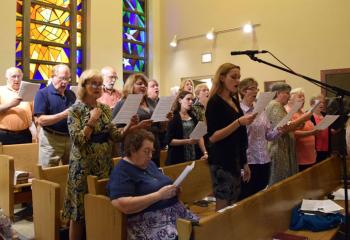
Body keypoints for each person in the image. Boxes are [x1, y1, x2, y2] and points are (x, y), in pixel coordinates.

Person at [62, 69, 136, 240]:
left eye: (99, 84)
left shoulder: (104, 108)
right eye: (92, 83)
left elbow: (115, 136)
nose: (97, 87)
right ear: (84, 86)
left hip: (103, 164)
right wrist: (92, 120)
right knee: (78, 212)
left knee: (102, 206)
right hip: (83, 166)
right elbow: (78, 140)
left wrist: (129, 126)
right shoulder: (75, 109)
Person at [107, 129, 198, 240]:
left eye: (152, 151)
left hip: (175, 215)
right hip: (149, 222)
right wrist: (159, 195)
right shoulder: (122, 171)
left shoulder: (149, 164)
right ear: (132, 150)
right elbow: (123, 205)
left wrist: (174, 191)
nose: (150, 156)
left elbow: (159, 184)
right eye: (146, 151)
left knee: (204, 228)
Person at [205, 63, 256, 211]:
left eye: (239, 77)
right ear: (221, 78)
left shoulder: (234, 101)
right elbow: (213, 137)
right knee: (223, 204)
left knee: (233, 201)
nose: (237, 81)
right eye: (233, 77)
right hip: (221, 160)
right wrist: (239, 122)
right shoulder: (214, 102)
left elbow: (240, 136)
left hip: (235, 159)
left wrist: (244, 163)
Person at [112, 73, 169, 166]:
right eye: (140, 84)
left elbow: (160, 128)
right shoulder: (124, 103)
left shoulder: (150, 102)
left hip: (153, 147)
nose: (143, 86)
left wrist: (165, 121)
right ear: (131, 85)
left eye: (145, 85)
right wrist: (138, 127)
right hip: (135, 149)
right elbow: (116, 132)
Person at [238, 78, 281, 199]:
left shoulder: (261, 111)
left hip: (264, 160)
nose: (256, 91)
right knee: (246, 197)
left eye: (256, 88)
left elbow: (268, 136)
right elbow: (238, 139)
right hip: (249, 161)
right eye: (252, 88)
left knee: (261, 196)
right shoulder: (238, 112)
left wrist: (279, 130)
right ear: (243, 91)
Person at [265, 83, 311, 184]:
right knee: (280, 181)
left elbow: (287, 125)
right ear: (278, 93)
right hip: (278, 148)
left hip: (284, 147)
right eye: (286, 93)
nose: (289, 96)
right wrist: (303, 118)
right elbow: (283, 129)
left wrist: (298, 123)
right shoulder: (275, 105)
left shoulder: (279, 106)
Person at [34, 64, 76, 167]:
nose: (65, 82)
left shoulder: (71, 94)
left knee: (72, 172)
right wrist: (64, 114)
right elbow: (41, 120)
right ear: (52, 76)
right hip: (51, 139)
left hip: (70, 138)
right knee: (48, 173)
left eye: (67, 79)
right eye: (62, 78)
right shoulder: (42, 94)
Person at [165, 91, 207, 165]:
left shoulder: (193, 116)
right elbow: (169, 141)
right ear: (180, 100)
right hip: (178, 157)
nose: (191, 102)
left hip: (194, 155)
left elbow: (199, 136)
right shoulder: (173, 117)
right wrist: (187, 141)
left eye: (192, 100)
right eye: (188, 99)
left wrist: (205, 152)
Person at [0, 67, 34, 145]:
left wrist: (38, 131)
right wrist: (10, 105)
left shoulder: (28, 92)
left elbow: (34, 115)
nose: (16, 79)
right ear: (7, 78)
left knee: (25, 157)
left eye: (19, 76)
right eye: (13, 76)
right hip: (4, 135)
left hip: (25, 134)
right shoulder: (1, 90)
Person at [289, 88, 318, 171]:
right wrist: (311, 133)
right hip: (300, 157)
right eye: (300, 96)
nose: (303, 98)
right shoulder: (290, 113)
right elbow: (292, 132)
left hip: (310, 155)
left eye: (303, 96)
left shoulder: (304, 113)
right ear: (291, 99)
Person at [310, 95, 332, 162]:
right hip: (316, 147)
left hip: (326, 146)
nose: (322, 104)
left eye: (323, 102)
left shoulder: (325, 115)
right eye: (319, 102)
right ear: (312, 104)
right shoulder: (309, 116)